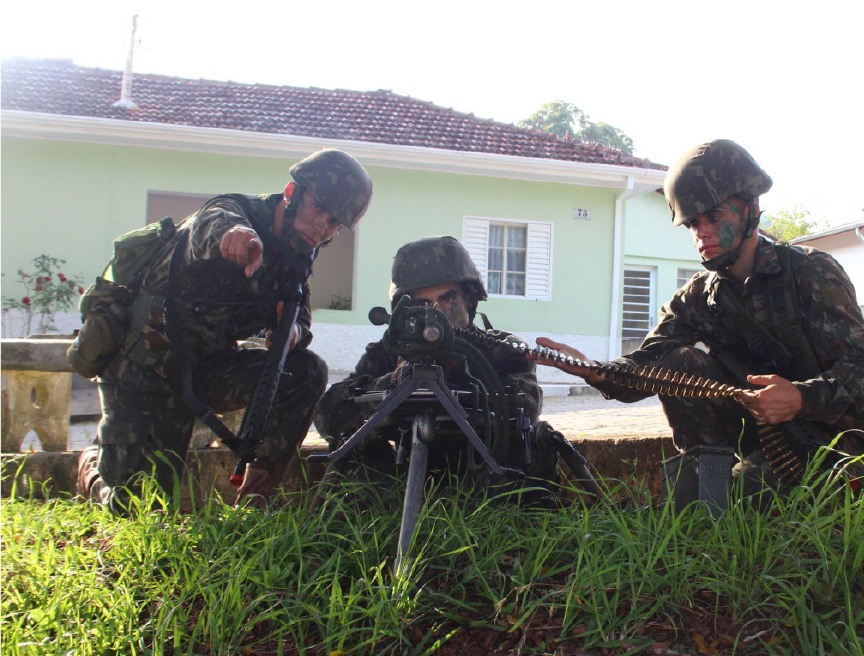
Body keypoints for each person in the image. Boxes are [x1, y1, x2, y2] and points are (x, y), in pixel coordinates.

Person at [536, 139, 864, 508]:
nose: (702, 233)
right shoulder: (699, 297)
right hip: (765, 438)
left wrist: (801, 397)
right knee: (680, 364)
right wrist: (598, 371)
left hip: (836, 440)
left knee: (749, 497)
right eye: (693, 224)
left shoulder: (810, 271)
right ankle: (705, 480)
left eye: (715, 218)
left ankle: (723, 496)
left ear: (751, 210)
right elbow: (651, 364)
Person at [76, 148, 374, 512]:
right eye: (317, 209)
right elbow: (210, 222)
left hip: (207, 372)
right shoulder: (234, 214)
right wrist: (234, 235)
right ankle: (91, 467)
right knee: (137, 510)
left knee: (306, 370)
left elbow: (301, 317)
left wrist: (292, 330)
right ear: (292, 194)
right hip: (141, 373)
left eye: (332, 224)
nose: (320, 227)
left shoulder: (296, 256)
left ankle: (254, 503)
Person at [313, 235, 562, 503]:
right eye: (423, 304)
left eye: (448, 298)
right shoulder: (389, 352)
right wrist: (392, 383)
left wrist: (455, 373)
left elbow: (526, 405)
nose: (437, 312)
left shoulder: (504, 349)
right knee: (351, 443)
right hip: (401, 484)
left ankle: (517, 537)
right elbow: (329, 416)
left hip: (486, 478)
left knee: (537, 439)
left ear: (469, 298)